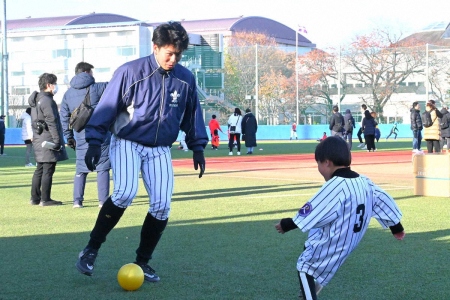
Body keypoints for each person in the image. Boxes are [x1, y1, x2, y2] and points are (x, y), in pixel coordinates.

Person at [75, 22, 208, 282]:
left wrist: (198, 147)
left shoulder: (185, 78)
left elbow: (192, 114)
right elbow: (106, 108)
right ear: (155, 47)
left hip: (160, 149)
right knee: (124, 192)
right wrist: (93, 142)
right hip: (128, 142)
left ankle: (143, 262)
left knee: (161, 206)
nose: (173, 59)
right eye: (168, 53)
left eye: (178, 54)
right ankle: (91, 249)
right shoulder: (130, 72)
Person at [275, 136, 405, 300]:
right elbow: (383, 201)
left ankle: (309, 295)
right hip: (352, 238)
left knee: (304, 265)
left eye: (319, 163)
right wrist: (396, 227)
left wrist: (287, 224)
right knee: (312, 240)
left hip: (337, 238)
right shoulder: (364, 181)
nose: (319, 168)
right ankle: (313, 287)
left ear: (327, 162)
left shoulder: (336, 185)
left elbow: (313, 209)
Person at [59, 62, 110, 208]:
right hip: (100, 133)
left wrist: (69, 136)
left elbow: (64, 117)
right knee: (102, 166)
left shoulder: (68, 94)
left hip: (80, 134)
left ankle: (77, 201)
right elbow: (115, 86)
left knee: (81, 168)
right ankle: (103, 200)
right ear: (87, 72)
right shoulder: (97, 87)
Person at [28, 73, 69, 206]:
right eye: (54, 83)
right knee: (48, 169)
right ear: (49, 85)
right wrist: (57, 141)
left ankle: (35, 198)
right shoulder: (47, 101)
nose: (56, 87)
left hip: (39, 138)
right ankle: (45, 199)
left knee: (40, 168)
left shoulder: (36, 100)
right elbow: (52, 122)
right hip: (47, 139)